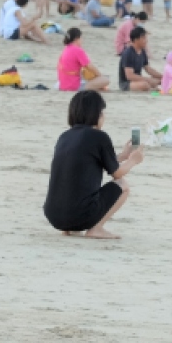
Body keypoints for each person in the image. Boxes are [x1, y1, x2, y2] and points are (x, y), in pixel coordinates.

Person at [44, 90, 145, 239]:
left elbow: (88, 163)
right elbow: (117, 174)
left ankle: (68, 229)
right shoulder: (99, 136)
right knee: (122, 185)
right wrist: (133, 160)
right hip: (81, 215)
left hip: (54, 216)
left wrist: (123, 156)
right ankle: (96, 229)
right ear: (96, 114)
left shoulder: (65, 136)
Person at [58, 27, 109, 92]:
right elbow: (90, 66)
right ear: (77, 39)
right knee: (106, 80)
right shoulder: (77, 50)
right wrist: (100, 76)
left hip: (63, 84)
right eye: (81, 38)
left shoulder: (66, 49)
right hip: (73, 86)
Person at [117, 26, 161, 92]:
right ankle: (155, 92)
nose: (146, 41)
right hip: (127, 83)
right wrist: (148, 80)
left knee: (158, 80)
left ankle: (155, 90)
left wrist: (162, 76)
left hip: (139, 80)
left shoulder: (142, 51)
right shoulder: (128, 53)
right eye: (143, 38)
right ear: (136, 40)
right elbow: (130, 76)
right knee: (145, 85)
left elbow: (148, 69)